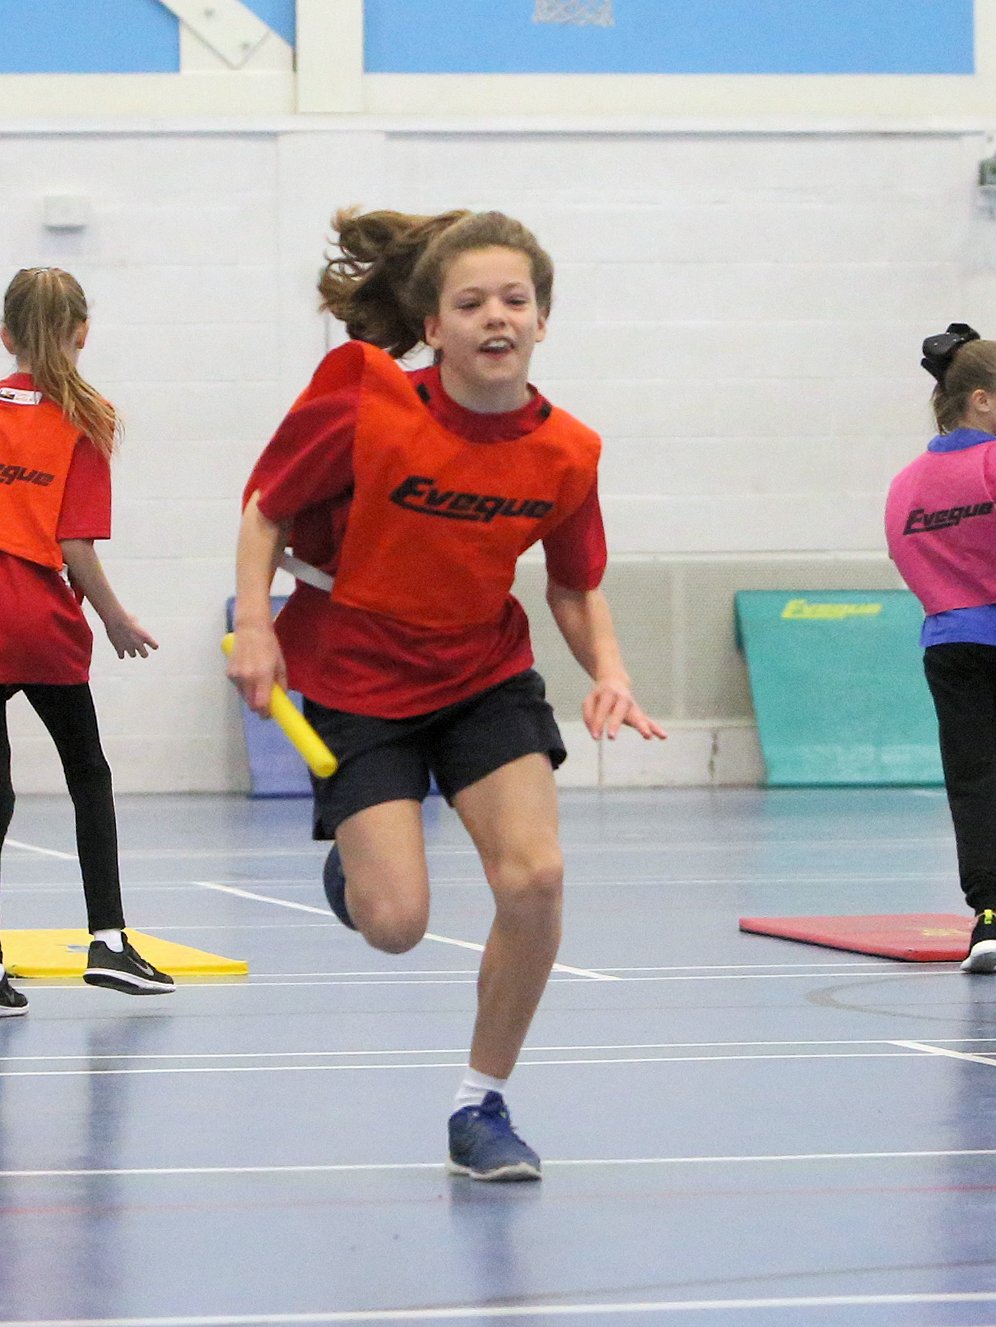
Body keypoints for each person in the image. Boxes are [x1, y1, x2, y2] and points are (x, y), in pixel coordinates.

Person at [228, 207, 664, 1181]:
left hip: (481, 673)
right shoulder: (368, 406)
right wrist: (255, 623)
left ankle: (481, 1103)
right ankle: (357, 873)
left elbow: (572, 584)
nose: (495, 316)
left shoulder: (568, 450)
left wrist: (613, 674)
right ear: (432, 324)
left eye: (515, 299)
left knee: (536, 877)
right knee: (396, 924)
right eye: (470, 303)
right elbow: (268, 510)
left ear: (542, 318)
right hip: (355, 675)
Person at [0, 267, 174, 1016]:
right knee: (87, 774)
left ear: (5, 335)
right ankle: (108, 941)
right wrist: (114, 616)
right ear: (82, 333)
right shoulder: (86, 418)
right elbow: (73, 544)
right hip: (35, 622)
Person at [886, 322, 996, 974]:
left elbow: (908, 556)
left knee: (976, 781)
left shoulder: (908, 482)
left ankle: (990, 918)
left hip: (951, 642)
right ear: (981, 400)